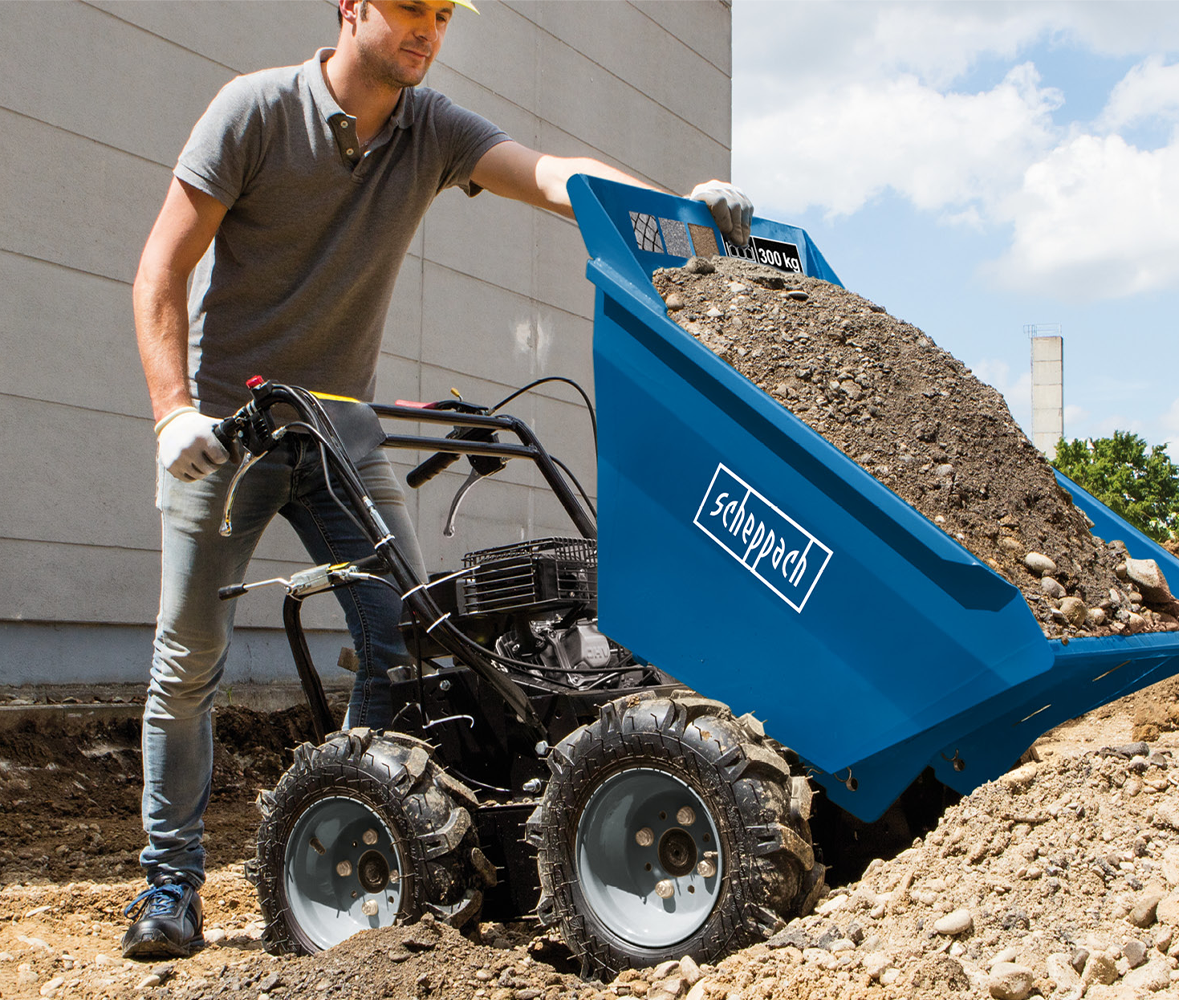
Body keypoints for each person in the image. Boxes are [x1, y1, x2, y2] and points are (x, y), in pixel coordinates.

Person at [122, 0, 752, 960]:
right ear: (352, 8)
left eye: (444, 14)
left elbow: (551, 179)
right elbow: (161, 271)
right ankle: (169, 888)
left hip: (341, 424)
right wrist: (172, 412)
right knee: (190, 659)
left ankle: (369, 827)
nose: (429, 30)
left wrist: (680, 210)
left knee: (408, 640)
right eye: (412, 8)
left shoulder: (432, 128)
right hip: (229, 425)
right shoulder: (252, 111)